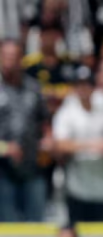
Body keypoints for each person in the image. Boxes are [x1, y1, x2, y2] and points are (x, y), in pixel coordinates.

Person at [52, 66, 103, 223]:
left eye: (87, 84)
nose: (83, 89)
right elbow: (60, 144)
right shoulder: (67, 112)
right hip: (77, 187)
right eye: (79, 85)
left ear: (94, 87)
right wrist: (90, 145)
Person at [0, 40, 49, 222]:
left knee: (36, 225)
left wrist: (47, 139)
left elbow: (44, 121)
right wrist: (5, 148)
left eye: (13, 57)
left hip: (32, 168)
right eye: (5, 56)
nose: (9, 62)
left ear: (22, 59)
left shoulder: (33, 88)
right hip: (3, 172)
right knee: (8, 226)